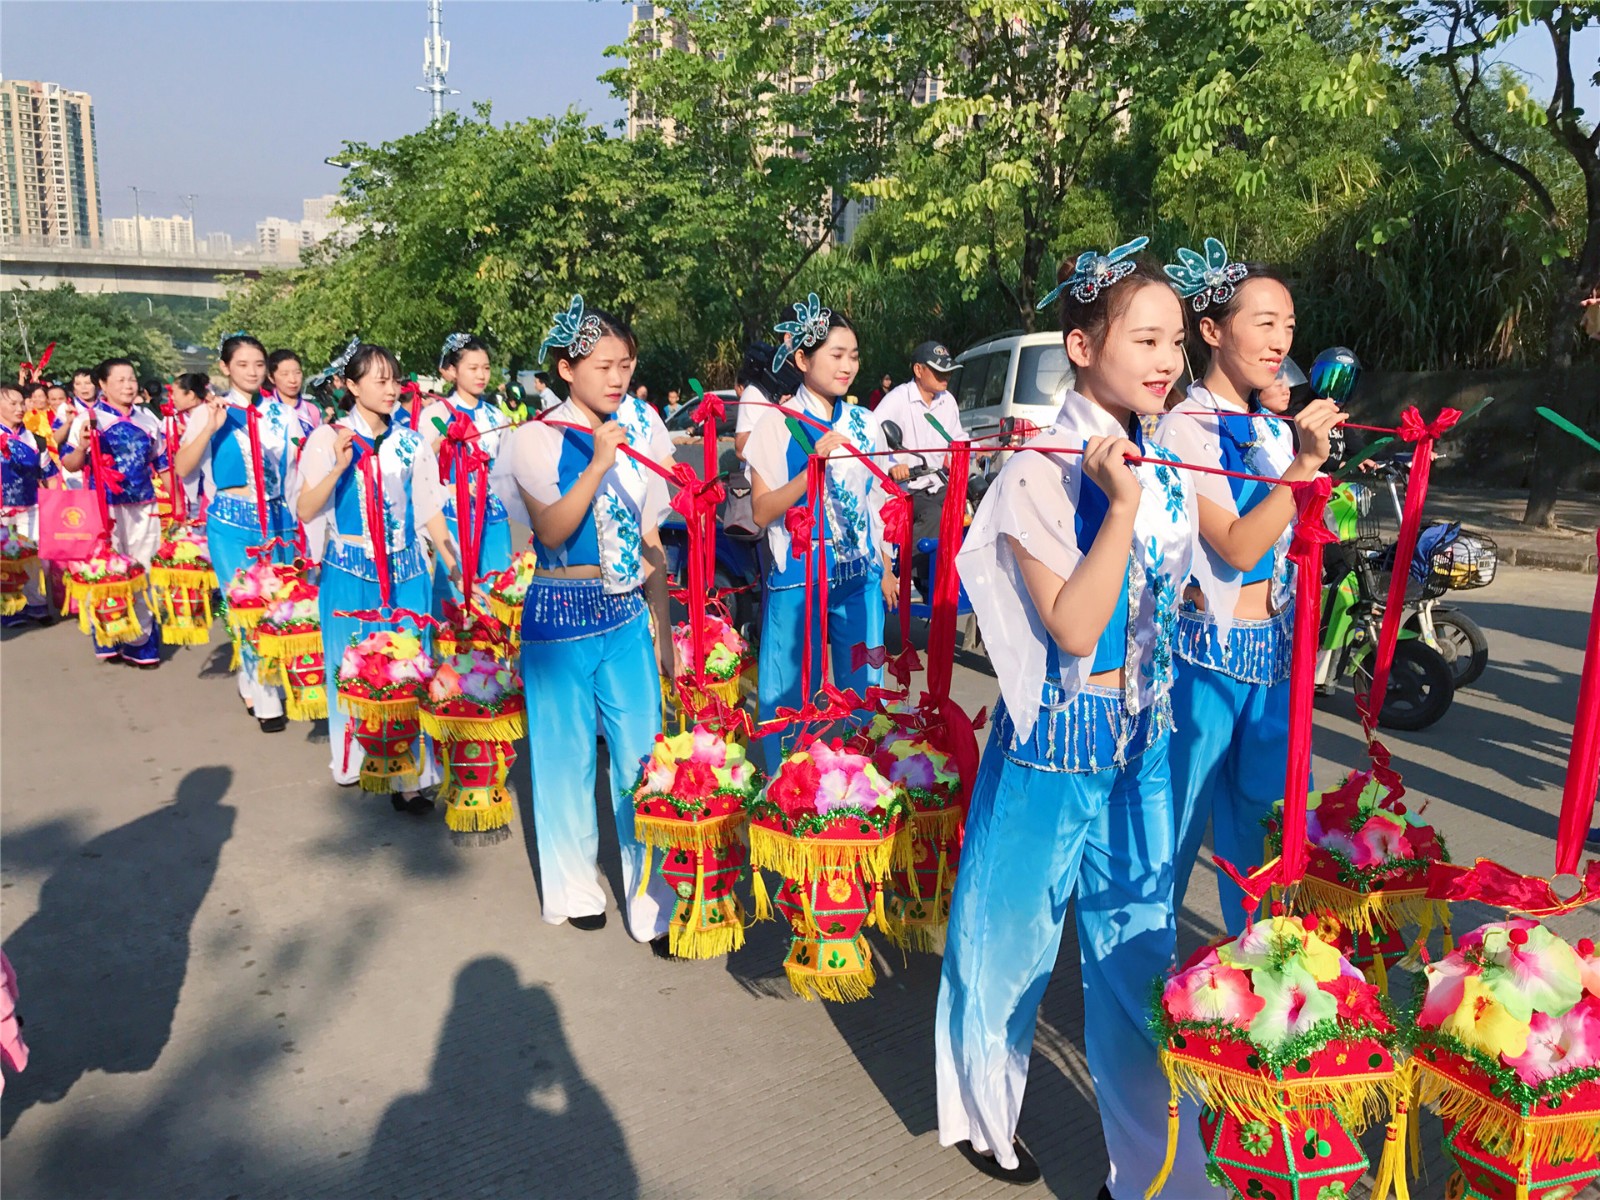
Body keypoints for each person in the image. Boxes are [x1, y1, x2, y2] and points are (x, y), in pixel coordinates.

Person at [936, 239, 1211, 1199]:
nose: (1167, 358)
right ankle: (982, 1115)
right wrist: (1126, 509)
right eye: (1146, 338)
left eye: (1175, 339)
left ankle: (1153, 1172)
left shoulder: (1159, 455)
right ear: (1081, 344)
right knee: (1010, 938)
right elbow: (1075, 624)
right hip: (1058, 730)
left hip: (1142, 733)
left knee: (1140, 949)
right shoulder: (1038, 472)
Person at [1151, 240, 1346, 935]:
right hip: (1205, 660)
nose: (1280, 339)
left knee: (1263, 836)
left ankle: (1253, 992)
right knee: (1169, 837)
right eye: (1264, 322)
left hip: (1274, 655)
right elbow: (1234, 543)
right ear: (1211, 331)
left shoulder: (1269, 428)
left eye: (1288, 324)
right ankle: (1143, 986)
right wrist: (1305, 466)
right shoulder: (1183, 427)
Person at [500, 295, 677, 947]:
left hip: (628, 611)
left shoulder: (646, 427)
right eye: (603, 364)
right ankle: (575, 887)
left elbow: (654, 534)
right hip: (559, 611)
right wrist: (600, 462)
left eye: (625, 364)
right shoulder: (534, 438)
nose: (616, 378)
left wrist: (664, 629)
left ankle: (652, 899)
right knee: (564, 757)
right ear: (567, 368)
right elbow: (549, 527)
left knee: (642, 757)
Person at [293, 343, 456, 809]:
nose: (391, 390)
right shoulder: (329, 440)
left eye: (394, 380)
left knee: (410, 665)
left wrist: (451, 563)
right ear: (351, 385)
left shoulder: (410, 441)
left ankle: (412, 774)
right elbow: (306, 508)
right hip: (350, 570)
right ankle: (356, 757)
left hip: (406, 570)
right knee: (351, 665)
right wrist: (340, 467)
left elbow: (429, 509)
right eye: (379, 381)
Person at [744, 295, 896, 769]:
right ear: (803, 359)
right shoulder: (778, 423)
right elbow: (763, 510)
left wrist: (887, 567)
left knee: (864, 683)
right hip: (800, 571)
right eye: (836, 354)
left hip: (859, 575)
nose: (847, 365)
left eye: (853, 355)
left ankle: (860, 791)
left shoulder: (865, 424)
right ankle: (789, 793)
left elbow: (877, 504)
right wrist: (812, 471)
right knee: (791, 690)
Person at [174, 335, 302, 731]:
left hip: (280, 519)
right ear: (226, 367)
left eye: (259, 364)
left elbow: (297, 474)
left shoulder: (283, 415)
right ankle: (266, 700)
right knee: (247, 605)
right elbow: (182, 469)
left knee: (281, 603)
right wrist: (210, 428)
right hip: (232, 520)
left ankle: (258, 679)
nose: (252, 371)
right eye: (243, 364)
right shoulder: (210, 413)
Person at [59, 358, 168, 666]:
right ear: (103, 386)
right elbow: (69, 464)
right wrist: (82, 446)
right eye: (119, 380)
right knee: (106, 571)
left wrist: (176, 506)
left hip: (144, 504)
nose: (128, 385)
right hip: (103, 507)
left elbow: (163, 464)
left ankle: (141, 639)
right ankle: (108, 631)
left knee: (144, 568)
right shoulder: (89, 419)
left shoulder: (148, 420)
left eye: (131, 378)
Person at [417, 334, 514, 608]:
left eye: (486, 367)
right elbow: (421, 470)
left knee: (499, 590)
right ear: (452, 371)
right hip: (453, 515)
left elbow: (507, 468)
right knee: (457, 597)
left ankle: (497, 648)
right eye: (472, 368)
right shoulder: (434, 415)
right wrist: (453, 486)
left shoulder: (497, 417)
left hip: (493, 516)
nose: (481, 375)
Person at [873, 341, 968, 566]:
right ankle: (902, 568)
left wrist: (978, 454)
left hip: (937, 483)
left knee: (969, 507)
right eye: (938, 371)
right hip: (907, 489)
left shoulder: (948, 401)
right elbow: (872, 437)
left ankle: (954, 576)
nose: (946, 376)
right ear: (918, 370)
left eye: (948, 370)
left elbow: (958, 439)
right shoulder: (898, 398)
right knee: (934, 515)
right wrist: (891, 465)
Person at [0, 382, 57, 625]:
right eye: (12, 403)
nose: (19, 408)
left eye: (21, 403)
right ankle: (10, 607)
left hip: (31, 506)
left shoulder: (36, 440)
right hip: (2, 508)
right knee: (4, 558)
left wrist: (56, 505)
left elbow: (49, 474)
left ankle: (36, 602)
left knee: (33, 557)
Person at [267, 349, 323, 436]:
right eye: (285, 374)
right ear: (271, 378)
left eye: (297, 373)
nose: (293, 380)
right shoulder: (265, 409)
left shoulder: (312, 410)